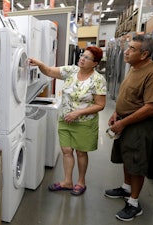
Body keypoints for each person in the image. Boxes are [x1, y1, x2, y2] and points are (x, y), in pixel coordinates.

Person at [28, 46, 107, 196]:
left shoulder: (98, 80)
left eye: (87, 58)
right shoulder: (71, 71)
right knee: (66, 151)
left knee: (81, 153)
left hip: (84, 122)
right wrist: (39, 64)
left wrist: (78, 113)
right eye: (82, 56)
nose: (82, 59)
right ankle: (67, 181)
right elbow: (50, 71)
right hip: (66, 119)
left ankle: (81, 182)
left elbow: (100, 105)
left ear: (95, 63)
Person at [104, 35, 153, 221]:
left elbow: (152, 107)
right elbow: (127, 94)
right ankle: (126, 188)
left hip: (139, 126)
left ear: (144, 53)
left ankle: (134, 203)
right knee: (127, 158)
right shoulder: (134, 67)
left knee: (136, 164)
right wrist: (116, 113)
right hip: (124, 121)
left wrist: (123, 122)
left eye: (132, 48)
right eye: (128, 47)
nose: (126, 51)